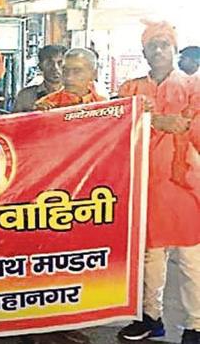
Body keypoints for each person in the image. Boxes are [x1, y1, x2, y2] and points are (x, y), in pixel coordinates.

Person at [117, 21, 199, 344]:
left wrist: (155, 121)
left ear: (175, 50)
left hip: (186, 188)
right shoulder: (130, 88)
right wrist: (155, 120)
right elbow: (116, 126)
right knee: (150, 259)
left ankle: (195, 325)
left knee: (192, 260)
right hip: (143, 187)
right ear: (144, 53)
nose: (160, 50)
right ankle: (152, 318)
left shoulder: (194, 87)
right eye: (153, 45)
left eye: (165, 44)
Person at [35, 48, 105, 110]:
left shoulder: (104, 106)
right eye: (65, 70)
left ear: (93, 74)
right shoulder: (47, 104)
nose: (68, 77)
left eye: (77, 71)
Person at [13, 45, 67, 113]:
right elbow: (14, 122)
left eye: (60, 63)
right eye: (49, 63)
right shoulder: (25, 96)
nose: (55, 67)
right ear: (40, 66)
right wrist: (34, 112)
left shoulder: (77, 95)